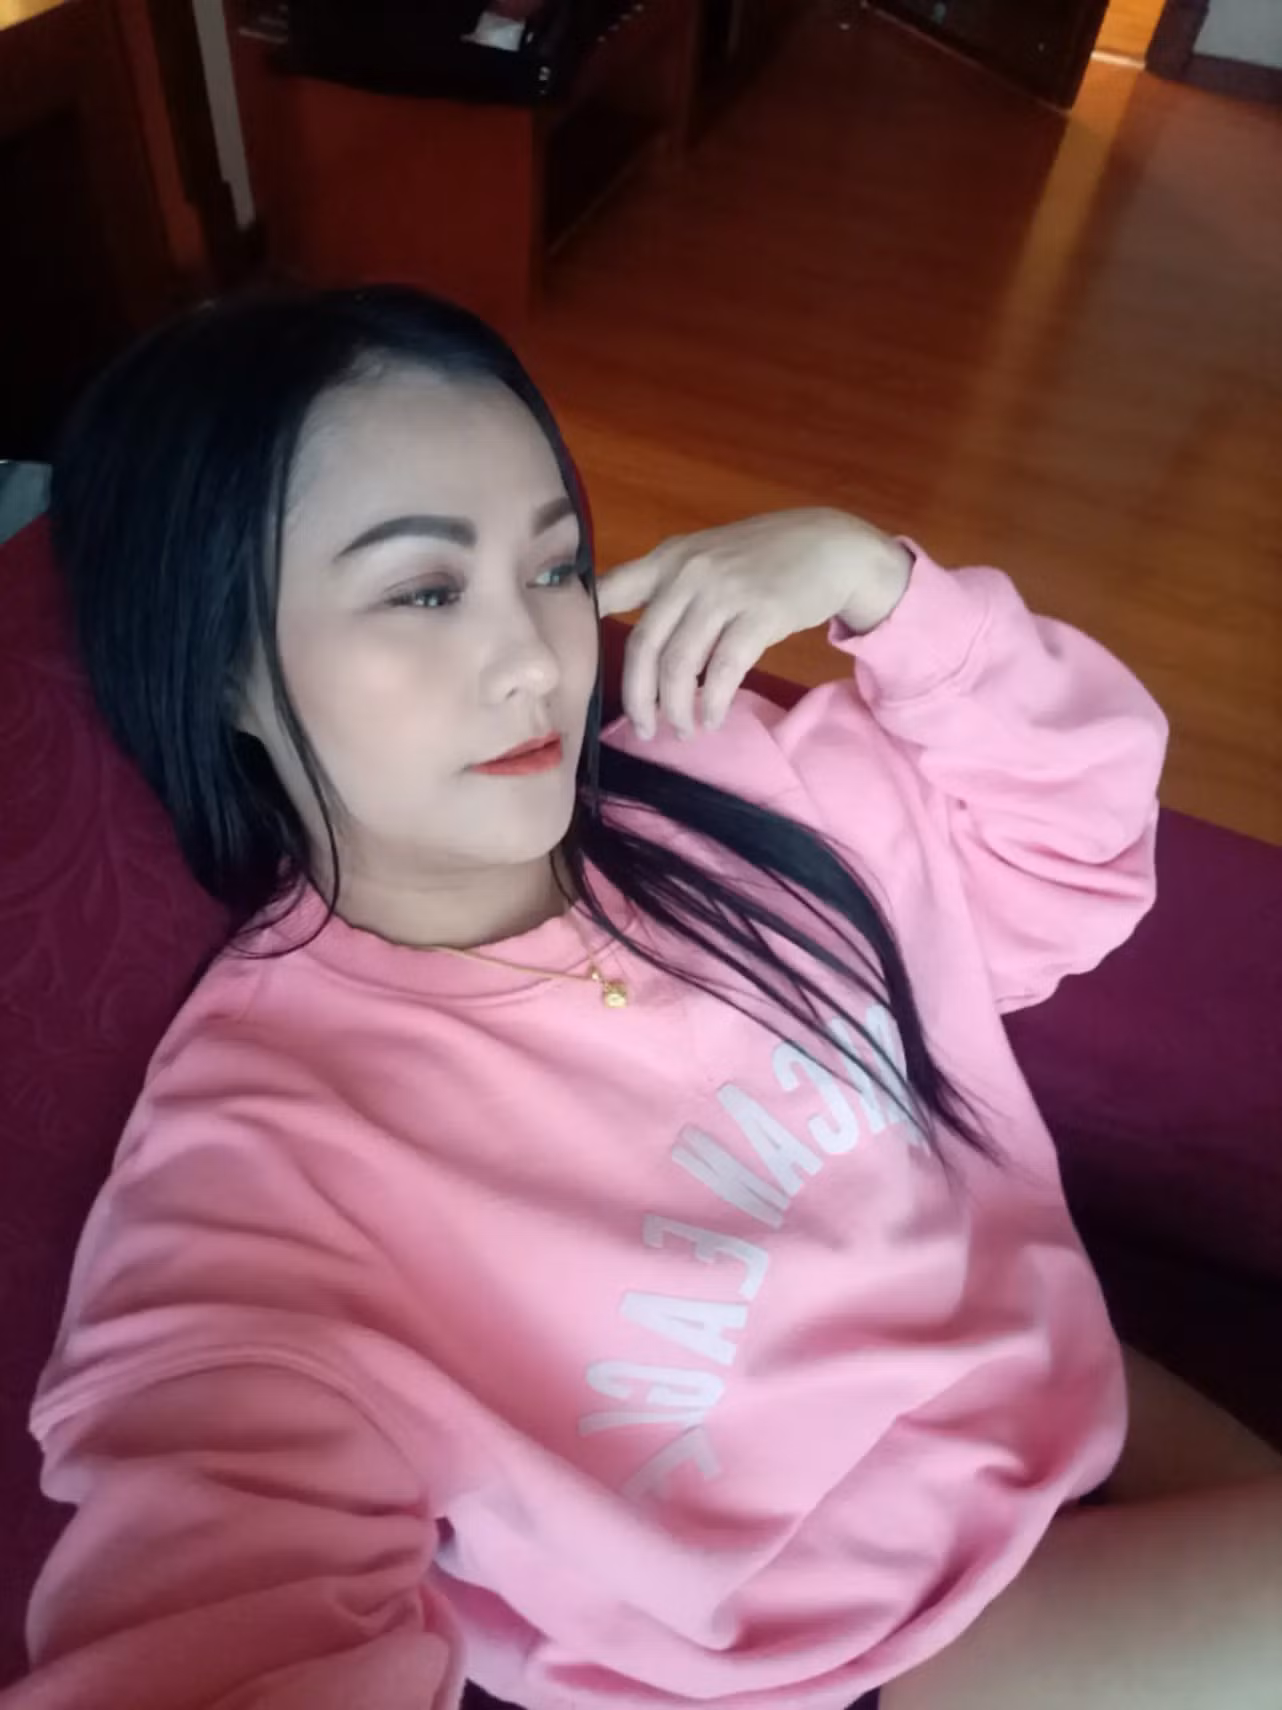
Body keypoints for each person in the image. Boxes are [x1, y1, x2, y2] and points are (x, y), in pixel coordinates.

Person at [6, 286, 1279, 1710]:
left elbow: (1077, 850)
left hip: (1071, 1403)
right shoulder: (261, 1174)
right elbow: (215, 1581)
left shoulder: (736, 786)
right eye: (425, 590)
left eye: (554, 567)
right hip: (861, 1662)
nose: (532, 659)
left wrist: (882, 586)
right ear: (222, 660)